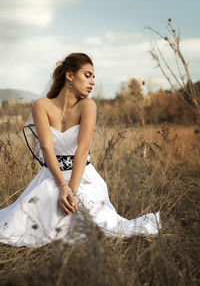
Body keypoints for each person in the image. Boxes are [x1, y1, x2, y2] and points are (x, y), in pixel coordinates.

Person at [0, 52, 161, 247]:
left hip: (82, 176)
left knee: (84, 205)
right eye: (87, 75)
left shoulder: (88, 106)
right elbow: (46, 148)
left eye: (94, 77)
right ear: (69, 75)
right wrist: (62, 186)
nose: (92, 81)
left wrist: (72, 191)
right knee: (45, 198)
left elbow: (82, 150)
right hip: (52, 175)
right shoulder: (41, 106)